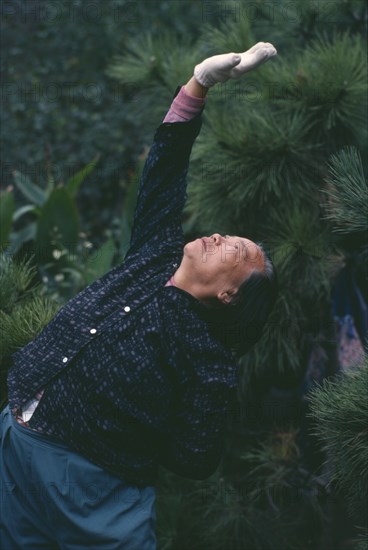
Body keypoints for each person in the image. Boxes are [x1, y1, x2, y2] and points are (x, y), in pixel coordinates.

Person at [0, 43, 278, 549]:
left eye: (235, 251)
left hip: (89, 488)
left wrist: (120, 440)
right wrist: (199, 84)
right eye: (228, 235)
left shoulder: (207, 359)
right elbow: (165, 171)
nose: (219, 237)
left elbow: (195, 455)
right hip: (15, 447)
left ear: (230, 295)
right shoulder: (156, 253)